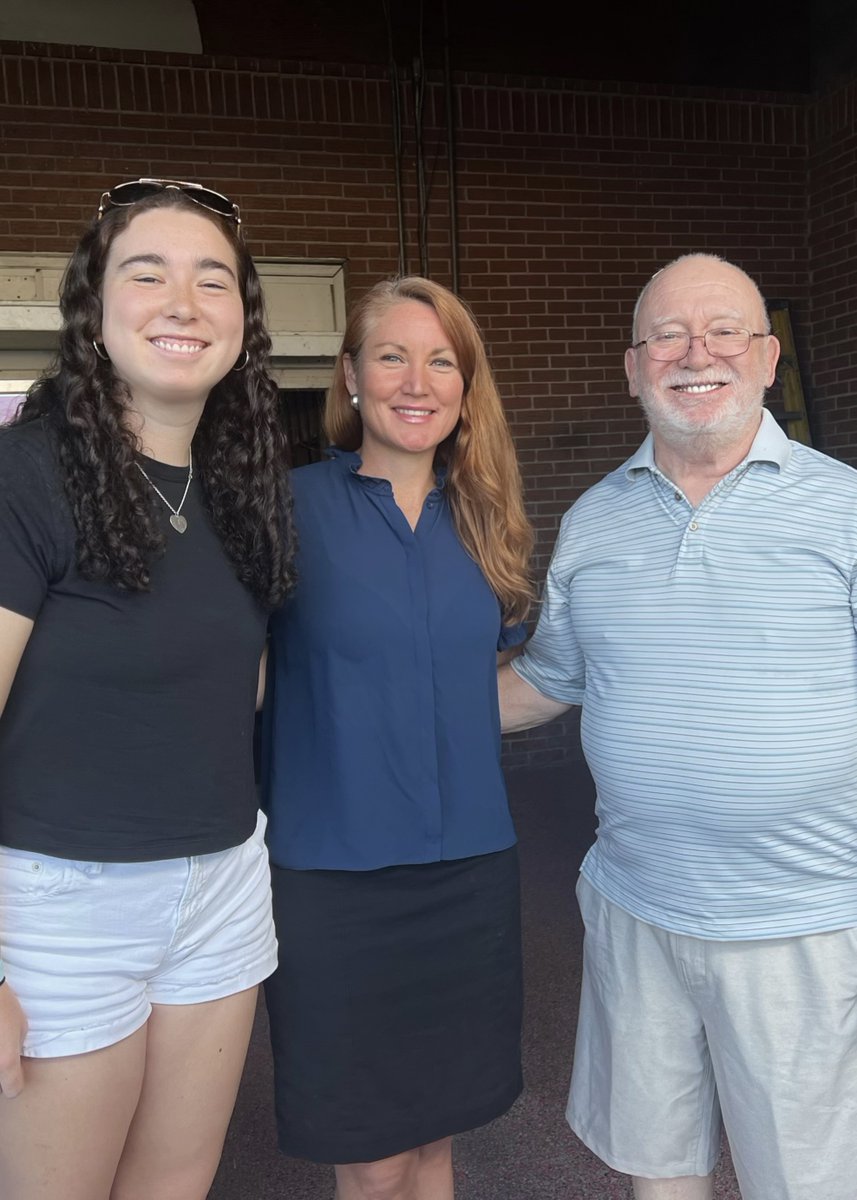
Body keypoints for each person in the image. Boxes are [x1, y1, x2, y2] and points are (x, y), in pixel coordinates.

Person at [499, 253, 857, 1200]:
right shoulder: (593, 521)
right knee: (659, 1171)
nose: (695, 353)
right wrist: (367, 705)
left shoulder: (843, 510)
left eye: (723, 331)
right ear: (632, 365)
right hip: (635, 909)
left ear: (767, 356)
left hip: (804, 924)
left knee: (809, 1184)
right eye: (666, 334)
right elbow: (545, 682)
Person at [0, 178, 295, 1200]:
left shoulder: (240, 489)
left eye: (213, 280)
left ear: (243, 325)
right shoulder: (25, 475)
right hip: (58, 903)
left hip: (220, 881)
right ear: (93, 308)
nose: (184, 301)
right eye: (148, 272)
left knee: (173, 1186)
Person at [262, 275, 533, 1200]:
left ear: (465, 386)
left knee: (434, 1138)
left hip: (468, 871)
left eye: (440, 360)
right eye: (391, 355)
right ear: (350, 375)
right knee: (372, 1152)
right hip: (336, 880)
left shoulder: (484, 520)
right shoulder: (285, 509)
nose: (416, 381)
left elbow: (490, 687)